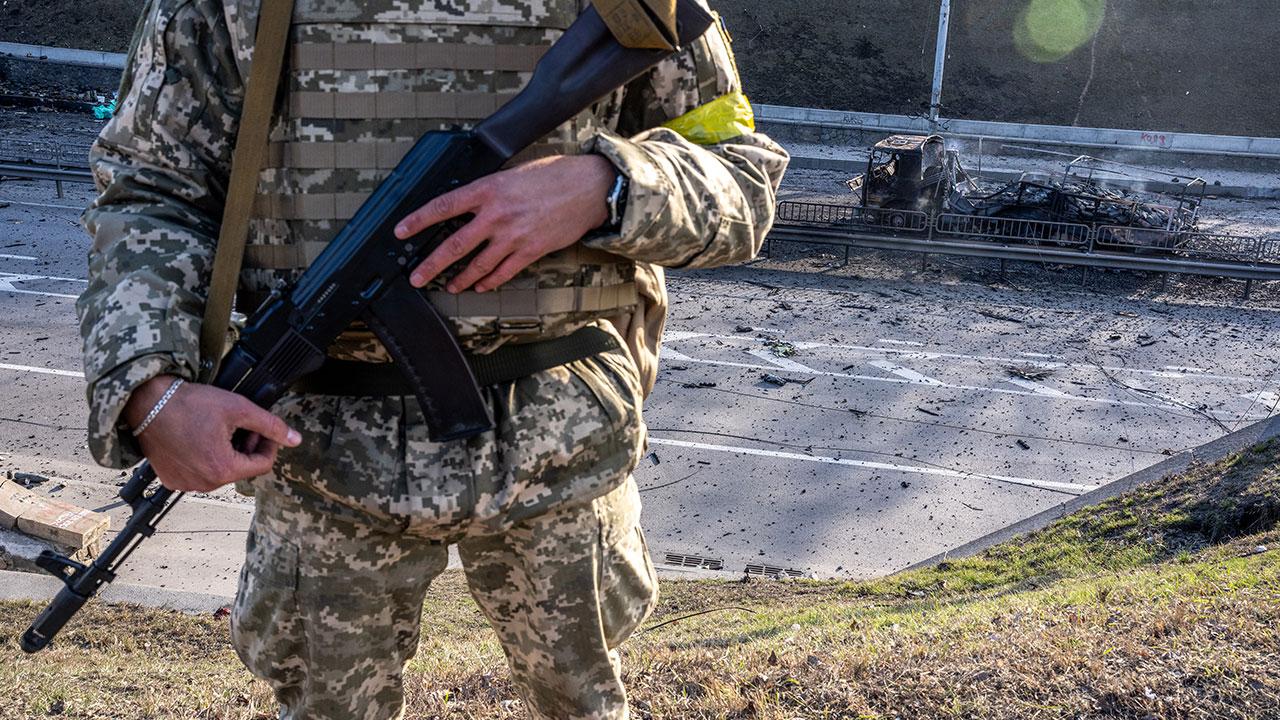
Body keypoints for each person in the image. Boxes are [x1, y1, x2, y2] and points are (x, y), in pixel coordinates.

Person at [78, 1, 788, 717]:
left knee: (586, 706)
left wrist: (605, 188)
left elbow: (744, 182)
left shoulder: (629, 5)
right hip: (321, 449)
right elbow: (150, 189)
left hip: (565, 444)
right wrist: (151, 388)